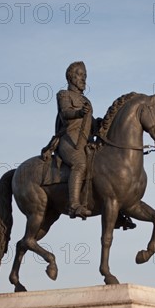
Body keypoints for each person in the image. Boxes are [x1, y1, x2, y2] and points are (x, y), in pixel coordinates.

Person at [55, 61, 93, 219]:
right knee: (80, 164)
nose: (83, 78)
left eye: (85, 75)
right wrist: (79, 113)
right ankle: (74, 205)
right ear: (71, 77)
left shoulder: (86, 101)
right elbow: (65, 113)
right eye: (80, 75)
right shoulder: (63, 94)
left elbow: (91, 124)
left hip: (85, 142)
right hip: (68, 141)